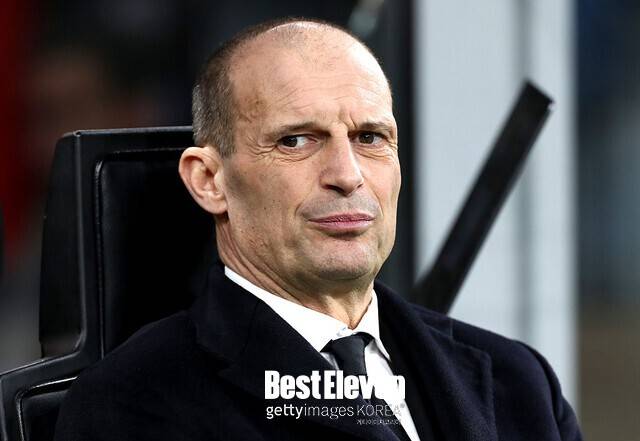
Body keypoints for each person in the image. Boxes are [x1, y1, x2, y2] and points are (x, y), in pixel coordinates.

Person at [54, 18, 582, 441]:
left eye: (370, 137)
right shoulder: (133, 404)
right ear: (210, 180)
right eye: (296, 141)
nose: (347, 175)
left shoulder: (520, 381)